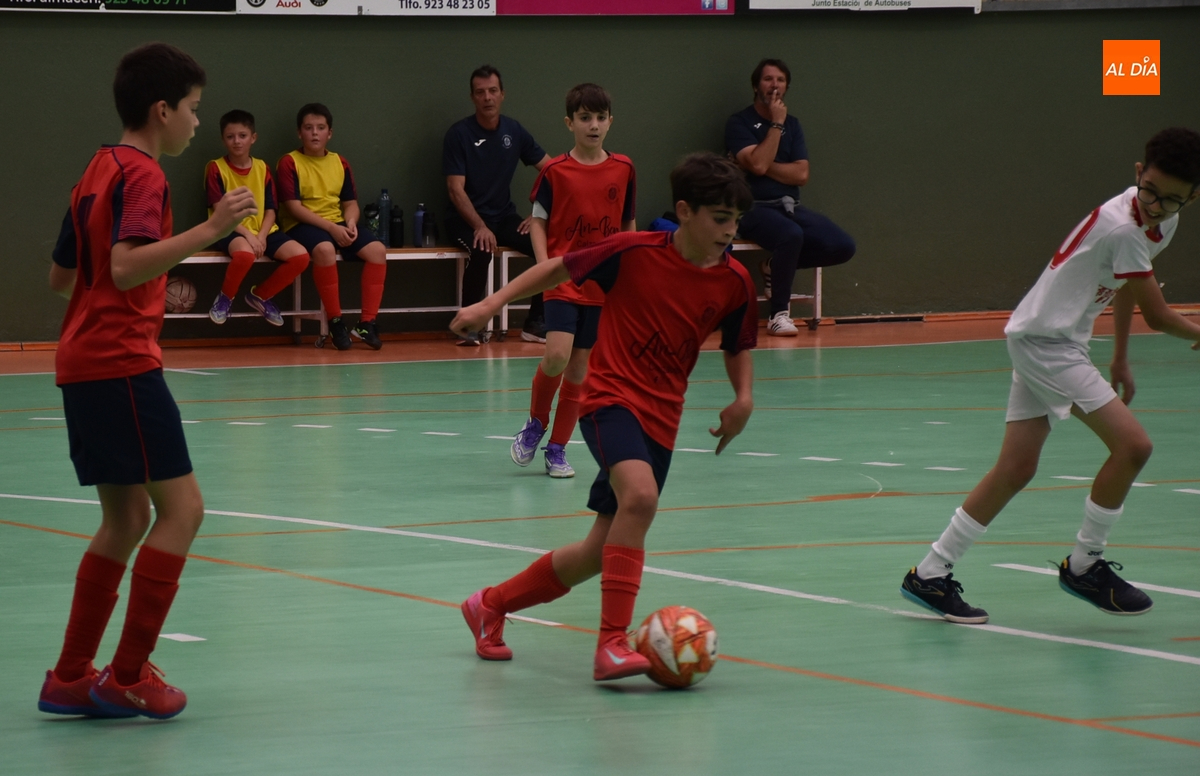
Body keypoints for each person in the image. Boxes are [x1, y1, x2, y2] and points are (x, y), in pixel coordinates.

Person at [451, 153, 757, 681]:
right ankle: (611, 643)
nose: (730, 231)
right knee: (640, 497)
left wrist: (743, 397)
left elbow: (738, 343)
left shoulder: (735, 281)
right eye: (720, 218)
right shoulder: (632, 251)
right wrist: (488, 305)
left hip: (663, 416)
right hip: (610, 397)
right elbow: (557, 268)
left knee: (600, 549)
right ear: (685, 211)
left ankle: (489, 605)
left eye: (737, 221)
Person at [900, 127, 1200, 624]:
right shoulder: (1124, 228)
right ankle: (1085, 564)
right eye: (1150, 192)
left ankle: (930, 573)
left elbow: (1129, 285)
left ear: (1192, 197)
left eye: (1171, 200)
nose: (1156, 206)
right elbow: (1160, 315)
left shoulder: (1155, 223)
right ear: (1137, 173)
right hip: (1048, 346)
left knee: (1016, 468)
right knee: (1134, 447)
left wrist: (1120, 355)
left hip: (1048, 338)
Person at [39, 43, 257, 720]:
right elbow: (127, 266)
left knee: (128, 517)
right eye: (193, 108)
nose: (197, 121)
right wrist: (211, 228)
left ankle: (69, 676)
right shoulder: (144, 175)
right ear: (162, 110)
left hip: (82, 361)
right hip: (121, 362)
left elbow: (63, 278)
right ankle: (127, 675)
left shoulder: (96, 168)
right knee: (183, 511)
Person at [510, 83, 636, 479]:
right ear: (570, 123)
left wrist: (629, 269)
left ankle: (558, 448)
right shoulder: (555, 171)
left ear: (610, 122)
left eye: (600, 118)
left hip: (602, 284)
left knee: (580, 369)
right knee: (557, 355)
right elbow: (538, 222)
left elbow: (628, 223)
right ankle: (536, 423)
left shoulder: (624, 169)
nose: (593, 125)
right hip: (563, 279)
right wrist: (546, 266)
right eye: (585, 118)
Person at [725, 58, 855, 336]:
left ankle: (774, 267)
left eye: (780, 80)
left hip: (789, 206)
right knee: (790, 235)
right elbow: (758, 165)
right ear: (756, 86)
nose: (774, 85)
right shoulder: (739, 123)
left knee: (842, 245)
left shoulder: (793, 125)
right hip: (752, 208)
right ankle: (779, 315)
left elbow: (801, 174)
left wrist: (760, 163)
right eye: (768, 79)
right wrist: (776, 124)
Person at [443, 65, 552, 345]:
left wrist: (538, 215)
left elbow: (554, 172)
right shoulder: (459, 134)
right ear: (472, 97)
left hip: (503, 217)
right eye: (480, 92)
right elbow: (455, 190)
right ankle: (467, 327)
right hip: (464, 220)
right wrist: (479, 226)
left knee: (547, 246)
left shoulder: (514, 131)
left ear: (502, 94)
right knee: (482, 250)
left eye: (493, 91)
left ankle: (535, 324)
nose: (487, 97)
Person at [277, 103, 387, 350]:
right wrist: (331, 228)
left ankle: (366, 323)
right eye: (309, 128)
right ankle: (335, 321)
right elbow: (294, 208)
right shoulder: (289, 162)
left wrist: (350, 222)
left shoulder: (340, 162)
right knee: (325, 249)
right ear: (299, 133)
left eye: (320, 128)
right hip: (301, 224)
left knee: (377, 251)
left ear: (330, 133)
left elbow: (351, 204)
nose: (315, 133)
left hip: (337, 223)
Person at [205, 109, 310, 327]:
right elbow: (219, 209)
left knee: (300, 257)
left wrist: (261, 236)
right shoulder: (215, 168)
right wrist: (249, 237)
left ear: (253, 138)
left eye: (242, 136)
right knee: (245, 255)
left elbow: (271, 209)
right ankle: (225, 298)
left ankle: (260, 296)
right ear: (223, 140)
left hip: (263, 231)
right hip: (230, 229)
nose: (237, 141)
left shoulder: (262, 168)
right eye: (230, 136)